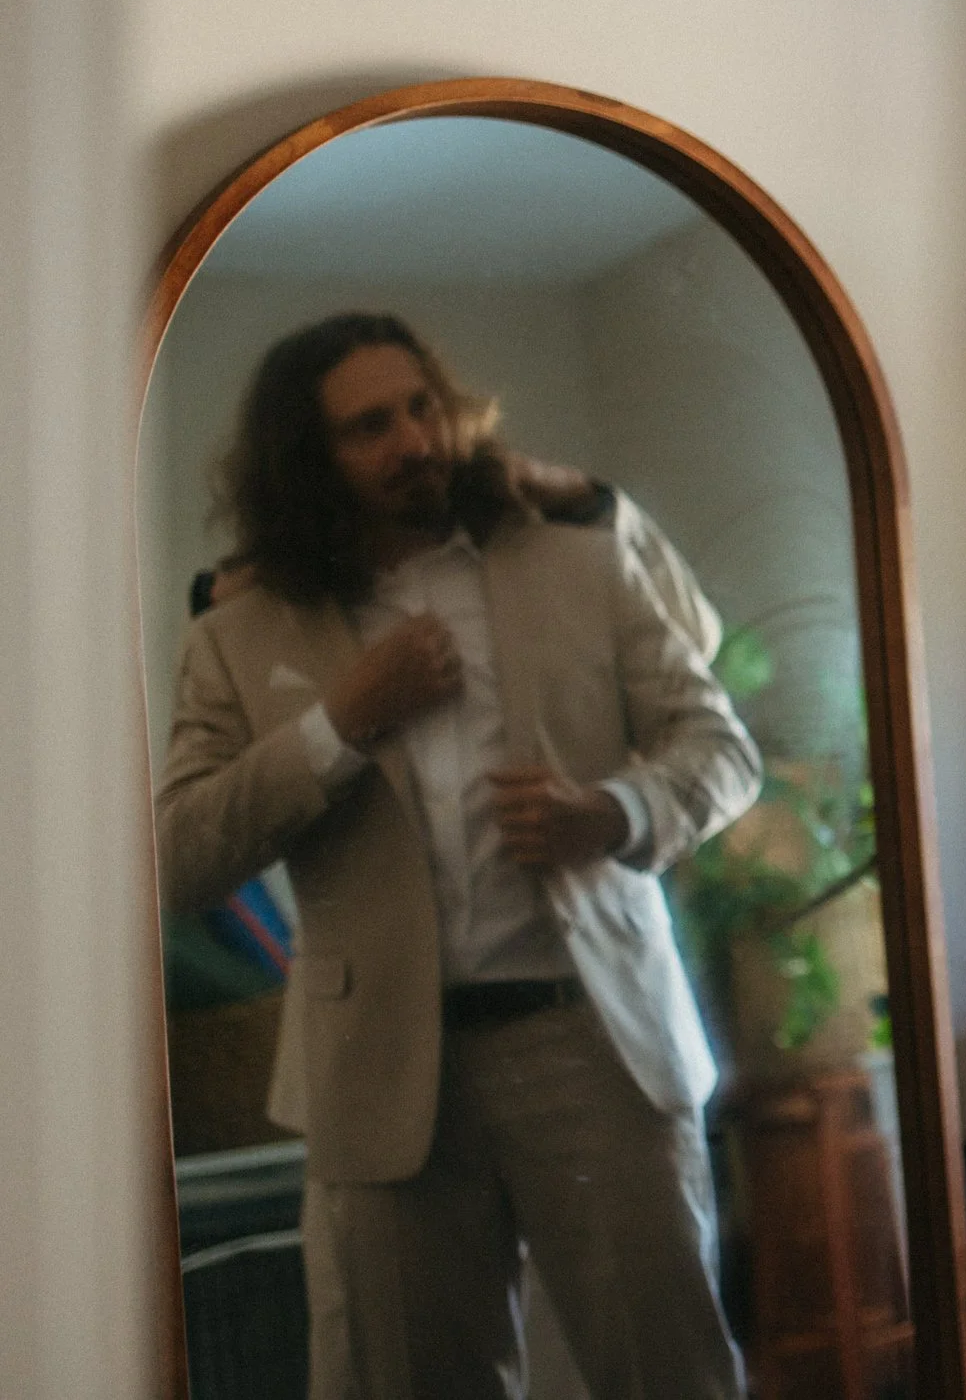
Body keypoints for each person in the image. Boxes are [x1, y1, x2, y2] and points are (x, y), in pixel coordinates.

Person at [155, 312, 762, 1400]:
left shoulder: (583, 564)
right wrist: (335, 726)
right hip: (380, 1076)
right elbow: (178, 857)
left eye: (423, 406)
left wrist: (614, 813)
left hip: (597, 1042)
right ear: (311, 458)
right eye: (369, 426)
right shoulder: (235, 635)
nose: (413, 440)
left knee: (672, 1376)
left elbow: (722, 748)